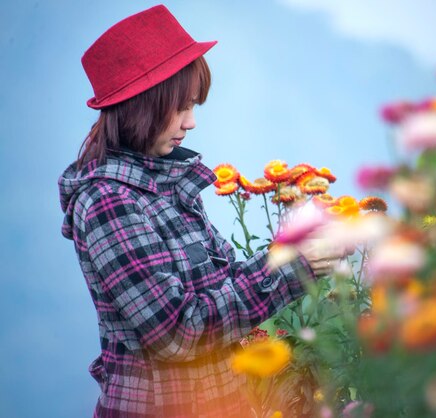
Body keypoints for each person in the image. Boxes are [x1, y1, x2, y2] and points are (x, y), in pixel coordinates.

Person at [59, 5, 338, 417]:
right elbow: (177, 332)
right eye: (181, 106)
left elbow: (223, 280)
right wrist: (295, 267)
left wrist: (296, 248)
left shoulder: (165, 185)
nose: (191, 122)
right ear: (142, 105)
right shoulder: (108, 202)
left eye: (194, 105)